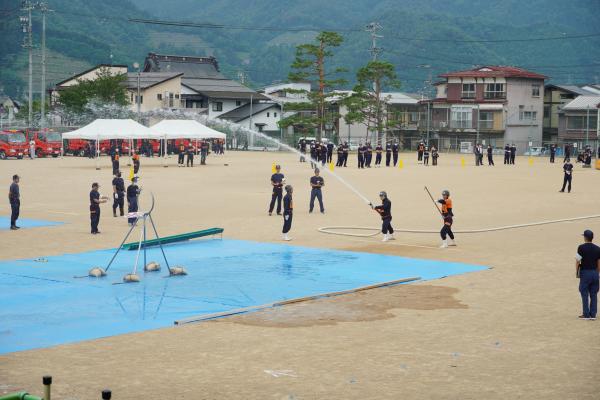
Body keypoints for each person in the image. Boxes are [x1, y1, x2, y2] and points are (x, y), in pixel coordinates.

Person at [575, 230, 600, 320]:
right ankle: (593, 315)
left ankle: (586, 314)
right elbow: (599, 262)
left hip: (585, 273)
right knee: (594, 294)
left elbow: (578, 261)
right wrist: (597, 273)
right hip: (595, 273)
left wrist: (577, 272)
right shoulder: (598, 248)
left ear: (585, 237)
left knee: (584, 293)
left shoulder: (581, 247)